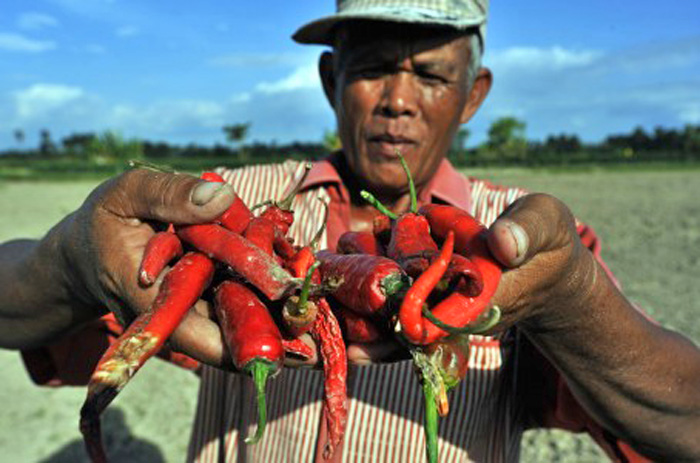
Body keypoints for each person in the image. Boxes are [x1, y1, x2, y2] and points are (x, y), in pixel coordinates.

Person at [2, 1, 700, 462]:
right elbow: (12, 307)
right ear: (332, 77)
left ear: (473, 94)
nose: (398, 100)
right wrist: (70, 259)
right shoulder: (228, 206)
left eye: (430, 74)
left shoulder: (522, 242)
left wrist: (574, 302)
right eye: (372, 69)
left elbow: (684, 424)